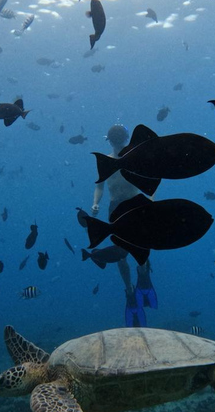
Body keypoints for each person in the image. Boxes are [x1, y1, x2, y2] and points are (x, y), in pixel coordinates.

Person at [91, 124, 157, 327]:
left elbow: (150, 179)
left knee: (140, 246)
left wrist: (151, 198)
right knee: (120, 253)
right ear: (111, 141)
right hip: (116, 207)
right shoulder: (105, 161)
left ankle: (142, 275)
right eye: (116, 140)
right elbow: (99, 186)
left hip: (136, 203)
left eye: (120, 140)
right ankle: (130, 289)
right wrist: (95, 202)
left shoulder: (135, 156)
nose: (118, 143)